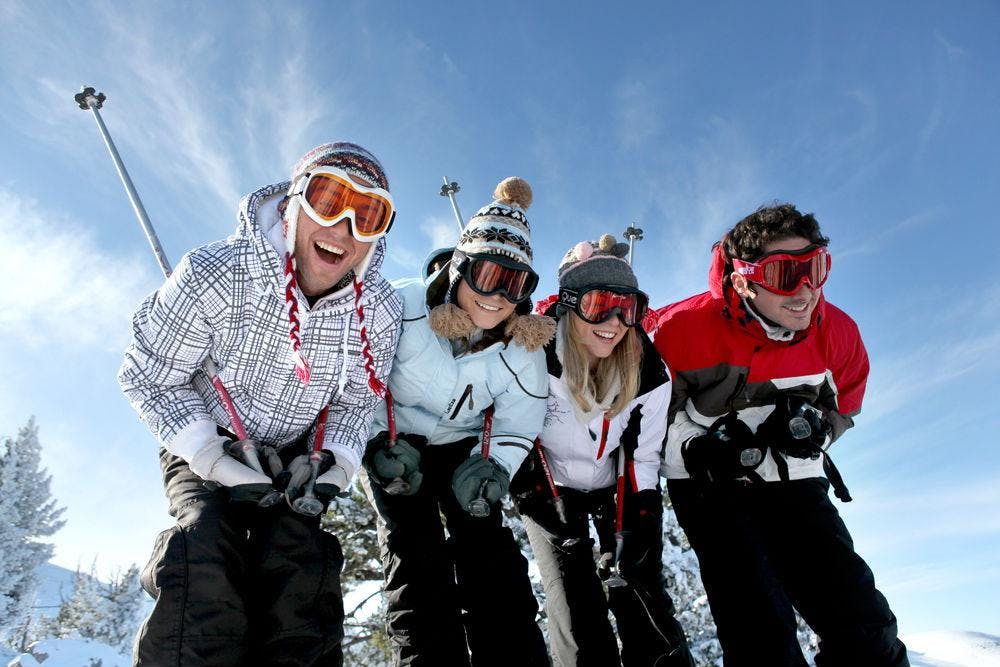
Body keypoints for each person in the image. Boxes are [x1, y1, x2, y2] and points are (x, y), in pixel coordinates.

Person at [118, 143, 403, 666]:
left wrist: (333, 463)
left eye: (367, 216)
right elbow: (150, 375)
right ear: (293, 203)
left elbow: (358, 400)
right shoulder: (216, 274)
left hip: (298, 454)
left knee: (300, 567)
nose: (342, 229)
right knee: (205, 551)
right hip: (208, 435)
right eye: (328, 200)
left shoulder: (379, 310)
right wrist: (209, 453)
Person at [655, 204, 908, 666]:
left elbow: (845, 403)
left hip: (796, 481)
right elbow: (648, 415)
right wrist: (697, 447)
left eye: (815, 268)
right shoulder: (679, 331)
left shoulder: (838, 334)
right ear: (742, 281)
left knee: (865, 628)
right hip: (711, 488)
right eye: (783, 274)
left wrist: (815, 429)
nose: (805, 290)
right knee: (762, 633)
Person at [362, 177, 553, 666]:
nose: (498, 296)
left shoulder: (521, 347)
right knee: (414, 555)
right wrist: (374, 443)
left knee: (488, 553)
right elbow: (355, 383)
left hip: (465, 451)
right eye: (488, 275)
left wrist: (496, 464)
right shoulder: (400, 307)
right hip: (397, 445)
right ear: (460, 268)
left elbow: (519, 420)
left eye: (515, 283)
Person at [512, 234, 694, 667]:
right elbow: (511, 426)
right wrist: (529, 488)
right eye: (599, 304)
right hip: (549, 488)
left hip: (614, 486)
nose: (614, 321)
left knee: (639, 588)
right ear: (570, 304)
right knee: (574, 603)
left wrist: (641, 515)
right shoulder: (536, 355)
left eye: (627, 308)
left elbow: (643, 454)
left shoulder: (649, 372)